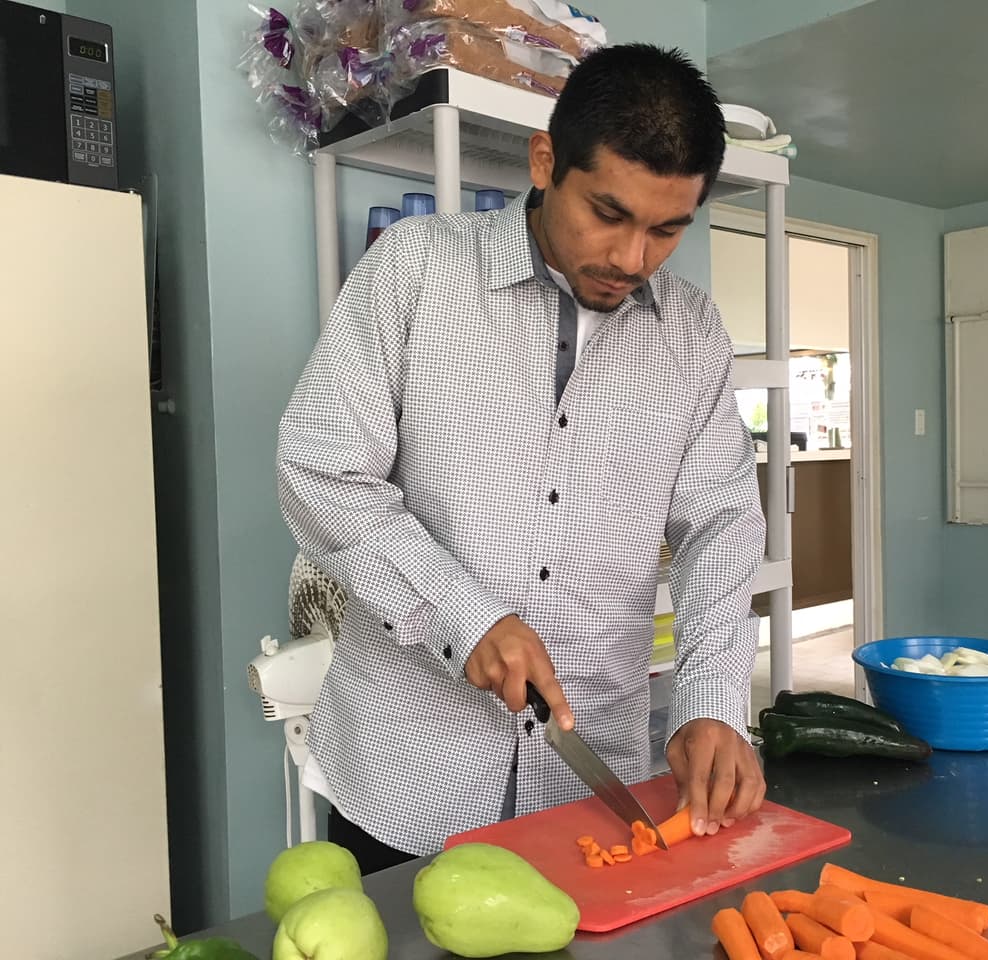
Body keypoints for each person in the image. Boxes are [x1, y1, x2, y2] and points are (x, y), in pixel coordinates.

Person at [276, 42, 767, 874]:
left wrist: (712, 701)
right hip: (406, 780)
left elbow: (720, 525)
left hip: (593, 777)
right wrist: (466, 615)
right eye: (609, 214)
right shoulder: (415, 271)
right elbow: (321, 469)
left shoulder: (692, 335)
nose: (632, 259)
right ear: (546, 161)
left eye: (668, 229)